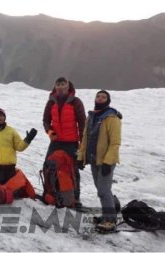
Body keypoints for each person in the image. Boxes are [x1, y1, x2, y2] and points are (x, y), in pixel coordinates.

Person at [77, 90, 122, 232]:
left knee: (103, 190)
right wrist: (80, 158)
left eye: (103, 97)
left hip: (105, 161)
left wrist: (108, 162)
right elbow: (85, 139)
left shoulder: (112, 118)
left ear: (108, 101)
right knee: (102, 189)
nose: (100, 98)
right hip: (93, 159)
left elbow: (115, 143)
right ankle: (110, 211)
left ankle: (110, 220)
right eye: (98, 96)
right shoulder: (92, 117)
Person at [43, 77, 86, 206]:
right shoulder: (51, 102)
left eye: (63, 84)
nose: (60, 87)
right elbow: (45, 121)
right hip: (56, 141)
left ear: (68, 86)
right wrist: (50, 132)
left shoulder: (76, 102)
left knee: (73, 169)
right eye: (58, 84)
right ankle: (49, 193)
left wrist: (82, 144)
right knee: (48, 166)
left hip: (71, 142)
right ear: (55, 87)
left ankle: (75, 197)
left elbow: (82, 123)